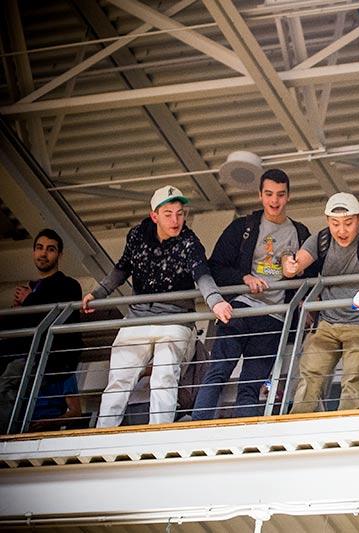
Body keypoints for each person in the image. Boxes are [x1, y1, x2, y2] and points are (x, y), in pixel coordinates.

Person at [82, 185, 233, 427]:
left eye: (180, 213)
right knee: (119, 381)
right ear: (154, 216)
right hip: (137, 319)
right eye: (168, 214)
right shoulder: (137, 235)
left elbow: (202, 274)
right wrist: (97, 293)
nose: (176, 220)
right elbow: (121, 269)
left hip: (175, 320)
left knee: (164, 376)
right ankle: (103, 433)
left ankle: (159, 433)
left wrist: (215, 302)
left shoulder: (189, 242)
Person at [192, 169, 311, 420]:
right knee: (218, 371)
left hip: (274, 318)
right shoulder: (242, 227)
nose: (274, 201)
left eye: (280, 195)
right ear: (260, 195)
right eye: (269, 194)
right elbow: (216, 266)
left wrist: (303, 299)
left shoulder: (300, 233)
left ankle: (246, 437)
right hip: (240, 309)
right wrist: (243, 278)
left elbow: (312, 274)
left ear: (288, 196)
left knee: (251, 385)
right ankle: (196, 428)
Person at [282, 192, 359, 413]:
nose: (341, 230)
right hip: (326, 323)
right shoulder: (321, 240)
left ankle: (349, 428)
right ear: (327, 221)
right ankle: (299, 424)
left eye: (348, 223)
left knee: (356, 378)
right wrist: (292, 266)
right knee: (310, 373)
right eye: (335, 223)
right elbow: (300, 260)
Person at [0, 229, 83, 432]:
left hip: (50, 359)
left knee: (7, 381)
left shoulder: (68, 285)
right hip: (25, 356)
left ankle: (6, 437)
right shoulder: (32, 288)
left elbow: (58, 320)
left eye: (50, 249)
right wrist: (19, 310)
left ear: (59, 255)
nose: (43, 254)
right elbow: (23, 326)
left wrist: (30, 301)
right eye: (39, 248)